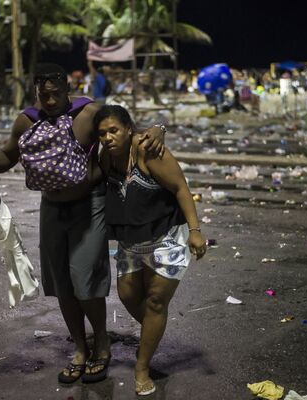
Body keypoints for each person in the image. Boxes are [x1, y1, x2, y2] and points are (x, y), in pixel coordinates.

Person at [0, 63, 165, 384]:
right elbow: (8, 155)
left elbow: (127, 133)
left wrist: (158, 128)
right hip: (51, 208)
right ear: (37, 91)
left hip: (89, 206)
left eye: (56, 94)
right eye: (44, 94)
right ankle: (80, 348)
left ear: (67, 88)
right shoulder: (28, 120)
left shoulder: (89, 113)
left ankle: (102, 342)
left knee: (84, 279)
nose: (50, 101)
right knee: (63, 285)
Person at [94, 105, 207, 396]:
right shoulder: (106, 157)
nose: (107, 137)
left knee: (156, 301)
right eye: (102, 133)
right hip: (131, 241)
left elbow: (181, 187)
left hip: (167, 236)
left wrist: (195, 231)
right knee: (128, 295)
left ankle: (141, 367)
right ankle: (153, 333)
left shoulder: (148, 150)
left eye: (114, 130)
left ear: (129, 128)